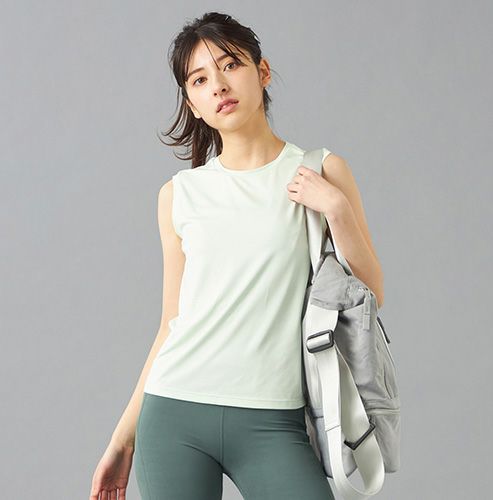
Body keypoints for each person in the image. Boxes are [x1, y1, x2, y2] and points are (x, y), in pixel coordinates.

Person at [89, 11, 384, 500]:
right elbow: (170, 325)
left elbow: (370, 294)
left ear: (262, 72)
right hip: (175, 413)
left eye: (230, 65)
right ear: (193, 103)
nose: (219, 85)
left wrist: (336, 209)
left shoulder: (321, 170)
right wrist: (123, 440)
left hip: (273, 421)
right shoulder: (179, 194)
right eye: (200, 80)